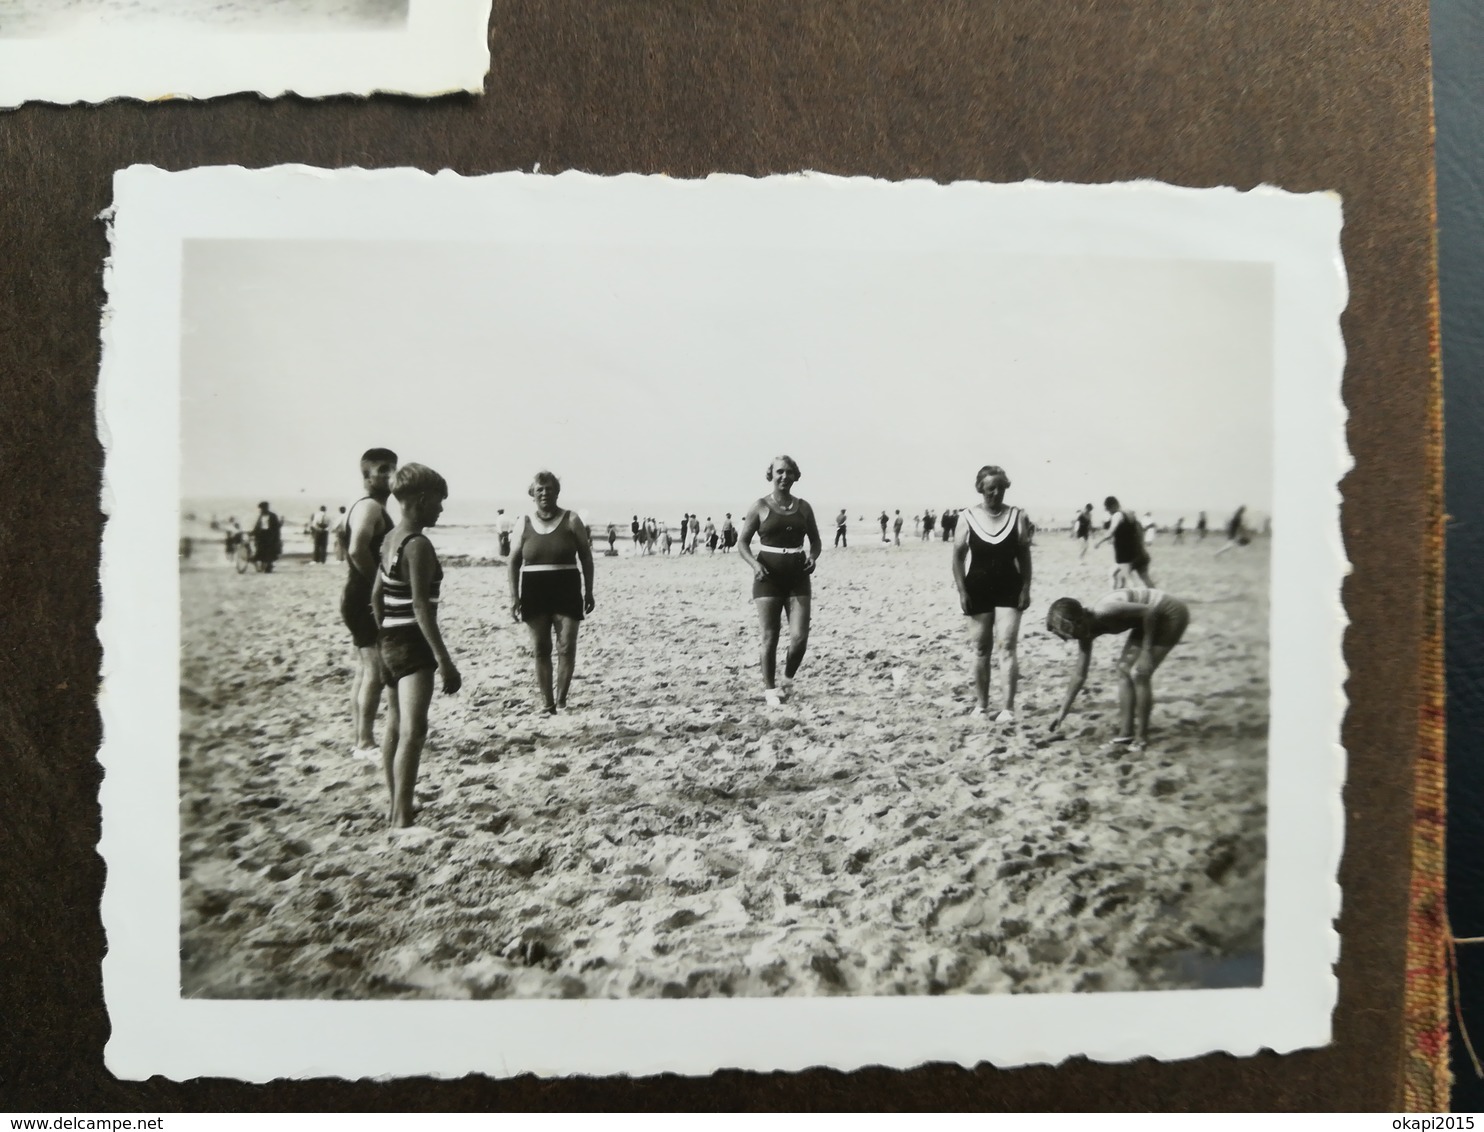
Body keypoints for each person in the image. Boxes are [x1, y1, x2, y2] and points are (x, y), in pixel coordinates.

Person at [371, 463, 461, 829]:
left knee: (393, 726)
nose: (441, 510)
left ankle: (396, 805)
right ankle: (402, 815)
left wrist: (382, 638)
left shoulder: (390, 538)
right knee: (414, 730)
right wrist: (444, 660)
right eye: (438, 502)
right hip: (412, 643)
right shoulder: (418, 544)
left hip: (390, 639)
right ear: (421, 500)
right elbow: (422, 607)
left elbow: (377, 597)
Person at [1046, 588, 1190, 752]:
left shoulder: (1104, 611)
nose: (1070, 639)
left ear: (1078, 622)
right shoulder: (1086, 631)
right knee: (1123, 669)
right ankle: (1126, 734)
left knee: (1140, 673)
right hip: (1147, 619)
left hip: (1168, 612)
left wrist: (1146, 651)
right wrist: (1062, 712)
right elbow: (1080, 674)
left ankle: (1141, 738)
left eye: (1068, 633)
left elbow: (1149, 611)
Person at [736, 456, 823, 707]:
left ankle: (787, 680)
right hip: (768, 578)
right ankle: (770, 689)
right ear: (771, 475)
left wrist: (813, 557)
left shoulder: (804, 507)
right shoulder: (760, 506)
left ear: (796, 476)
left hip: (798, 576)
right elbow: (741, 542)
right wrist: (755, 564)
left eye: (789, 472)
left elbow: (815, 541)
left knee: (799, 638)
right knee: (770, 636)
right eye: (779, 472)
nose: (784, 476)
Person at [508, 471, 596, 714]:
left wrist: (589, 591)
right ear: (533, 494)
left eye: (549, 489)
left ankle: (562, 701)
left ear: (557, 492)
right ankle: (547, 703)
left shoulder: (572, 519)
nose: (545, 493)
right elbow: (513, 561)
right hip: (534, 589)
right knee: (541, 648)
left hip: (566, 586)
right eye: (540, 489)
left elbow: (586, 557)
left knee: (566, 646)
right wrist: (514, 596)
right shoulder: (523, 522)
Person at [951, 466, 1032, 722]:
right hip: (977, 587)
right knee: (981, 649)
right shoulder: (967, 517)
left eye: (1000, 488)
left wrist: (1026, 587)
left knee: (1007, 647)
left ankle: (1007, 708)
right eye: (990, 489)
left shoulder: (1017, 515)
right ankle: (982, 705)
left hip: (1010, 587)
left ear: (1006, 487)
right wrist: (962, 591)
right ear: (980, 489)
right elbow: (958, 557)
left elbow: (1024, 555)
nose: (995, 493)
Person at [343, 447, 398, 760]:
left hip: (358, 594)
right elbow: (355, 550)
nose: (390, 475)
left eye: (393, 468)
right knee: (374, 671)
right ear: (366, 474)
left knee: (365, 670)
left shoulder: (369, 506)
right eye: (382, 469)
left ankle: (360, 738)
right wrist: (381, 584)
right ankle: (364, 743)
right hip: (363, 596)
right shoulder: (370, 508)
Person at [1095, 496, 1153, 588]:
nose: (1108, 512)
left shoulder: (1117, 515)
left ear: (1113, 506)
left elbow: (1111, 531)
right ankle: (1157, 596)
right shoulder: (1129, 514)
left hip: (1125, 555)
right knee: (1115, 574)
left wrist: (1099, 542)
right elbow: (1139, 531)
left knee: (1128, 580)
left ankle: (1126, 597)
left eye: (1108, 509)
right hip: (1138, 553)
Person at [252, 501, 282, 572]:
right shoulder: (261, 516)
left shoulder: (272, 516)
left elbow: (276, 527)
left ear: (266, 508)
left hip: (270, 536)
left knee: (269, 552)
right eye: (261, 509)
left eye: (263, 508)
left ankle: (269, 566)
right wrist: (253, 532)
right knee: (262, 551)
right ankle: (265, 565)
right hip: (262, 536)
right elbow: (257, 526)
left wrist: (276, 537)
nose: (262, 510)